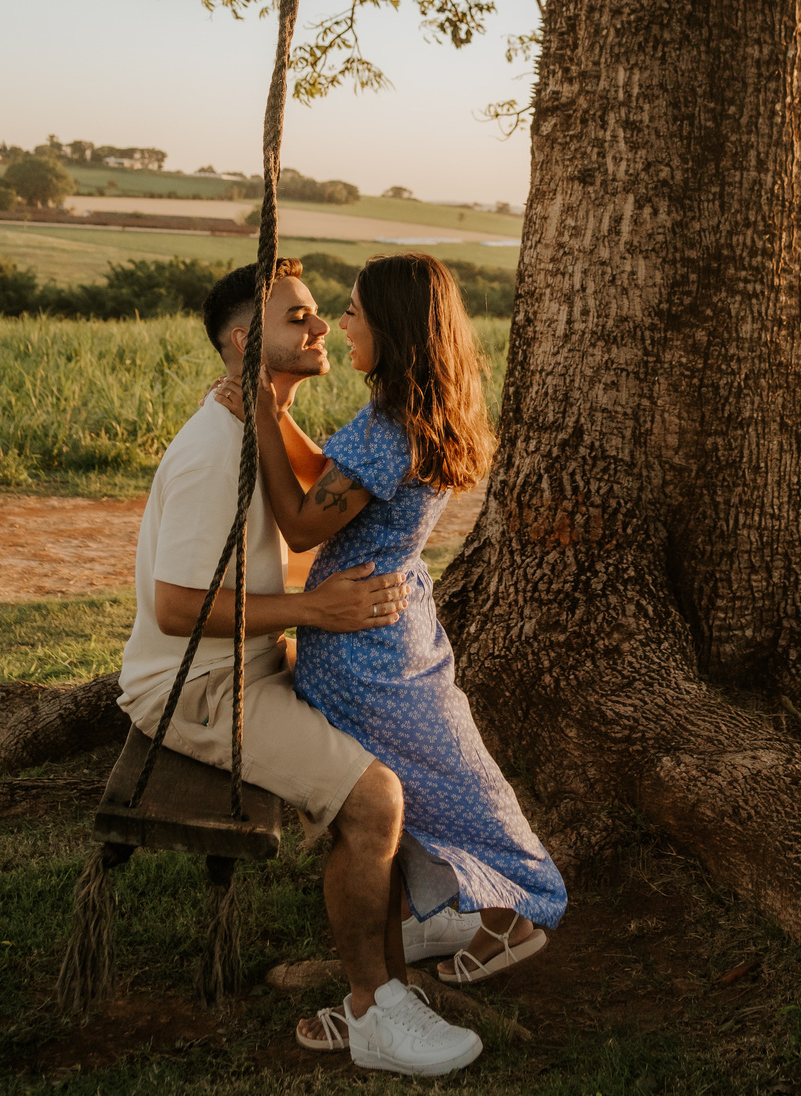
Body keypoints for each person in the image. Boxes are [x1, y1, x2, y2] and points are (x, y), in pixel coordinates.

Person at [117, 257, 483, 1078]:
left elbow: (321, 491)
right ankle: (372, 1011)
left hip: (249, 662)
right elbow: (176, 610)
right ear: (247, 344)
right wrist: (314, 612)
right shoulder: (218, 449)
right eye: (300, 318)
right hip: (198, 688)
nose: (320, 327)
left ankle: (413, 942)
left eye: (325, 314)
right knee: (375, 795)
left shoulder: (254, 426)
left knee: (389, 758)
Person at [214, 251, 567, 1052]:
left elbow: (306, 524)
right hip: (394, 631)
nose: (341, 325)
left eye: (355, 313)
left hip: (366, 653)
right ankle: (414, 937)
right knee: (424, 783)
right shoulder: (413, 413)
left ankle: (502, 917)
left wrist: (263, 412)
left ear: (396, 330)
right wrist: (273, 410)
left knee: (399, 797)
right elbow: (326, 480)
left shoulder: (389, 427)